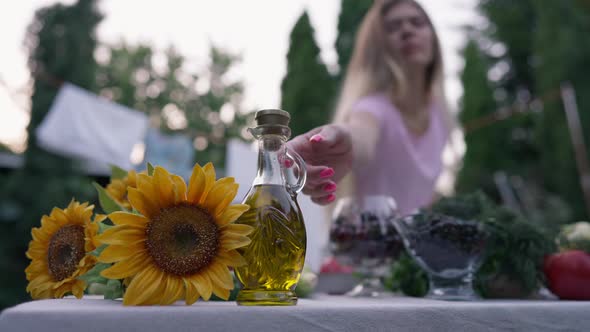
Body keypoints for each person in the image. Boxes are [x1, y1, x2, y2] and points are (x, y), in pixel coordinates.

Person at [287, 0, 454, 216]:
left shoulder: (439, 112)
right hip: (367, 246)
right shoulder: (373, 108)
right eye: (393, 27)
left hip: (413, 248)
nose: (407, 30)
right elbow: (361, 134)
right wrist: (344, 140)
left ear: (433, 36)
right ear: (379, 47)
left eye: (417, 22)